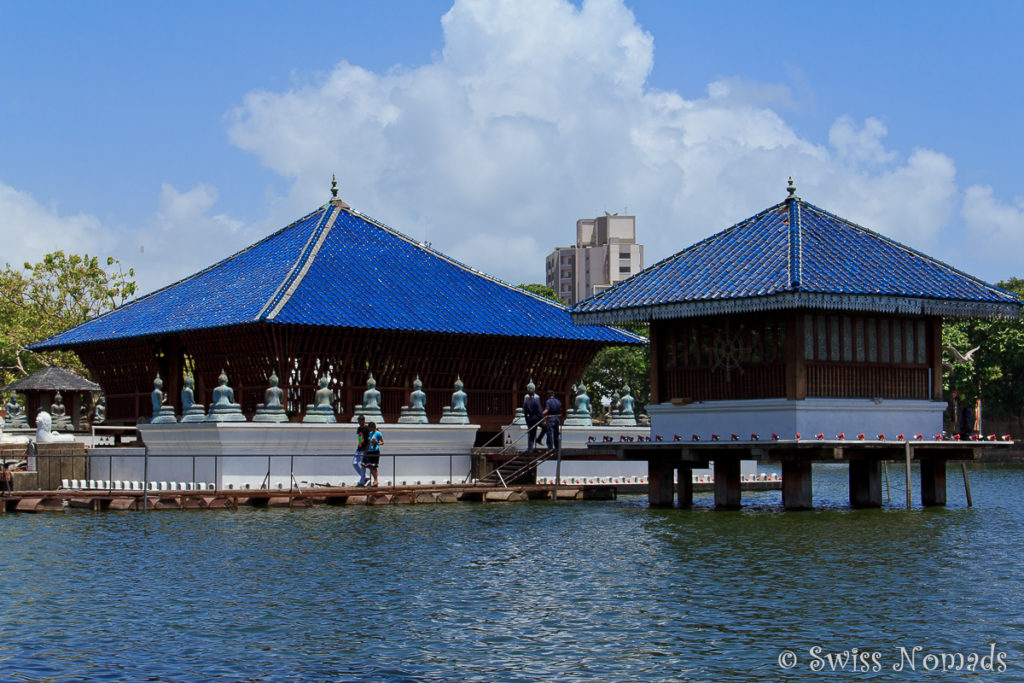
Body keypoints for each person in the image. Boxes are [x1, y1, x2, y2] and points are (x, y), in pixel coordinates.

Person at [523, 385, 544, 452]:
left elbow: (525, 412)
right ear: (534, 393)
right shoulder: (536, 400)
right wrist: (543, 419)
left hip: (530, 419)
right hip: (536, 418)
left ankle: (530, 449)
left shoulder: (526, 402)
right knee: (546, 427)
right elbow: (540, 411)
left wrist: (527, 421)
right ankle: (539, 439)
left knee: (531, 434)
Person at [364, 422, 383, 486]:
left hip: (375, 451)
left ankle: (376, 480)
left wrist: (377, 442)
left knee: (374, 466)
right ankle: (374, 479)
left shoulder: (378, 433)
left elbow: (382, 442)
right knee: (369, 465)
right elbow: (368, 443)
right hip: (370, 451)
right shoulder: (370, 433)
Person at [353, 415, 370, 486]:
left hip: (364, 449)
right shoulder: (359, 428)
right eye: (358, 421)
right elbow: (360, 437)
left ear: (363, 420)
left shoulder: (367, 428)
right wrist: (359, 444)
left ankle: (362, 481)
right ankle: (366, 476)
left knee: (363, 465)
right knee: (354, 463)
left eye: (360, 420)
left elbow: (369, 440)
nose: (359, 422)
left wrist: (366, 450)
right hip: (359, 449)